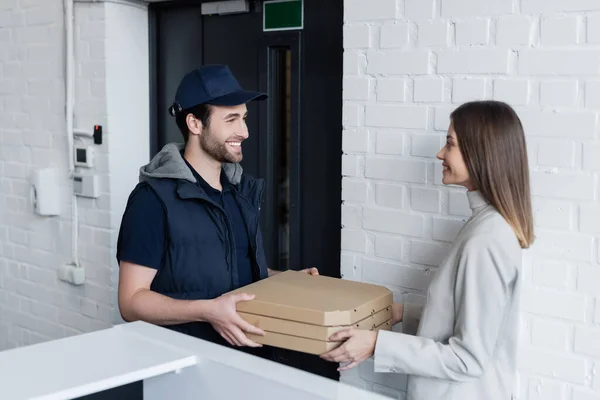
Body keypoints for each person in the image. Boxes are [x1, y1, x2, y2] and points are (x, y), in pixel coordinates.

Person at [321, 100, 534, 400]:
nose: (440, 154)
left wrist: (376, 344)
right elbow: (462, 316)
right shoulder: (484, 226)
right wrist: (400, 313)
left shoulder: (486, 239)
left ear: (481, 152)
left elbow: (467, 359)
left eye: (450, 144)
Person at [116, 64, 318, 358]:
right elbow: (131, 302)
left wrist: (285, 281)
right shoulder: (152, 200)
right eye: (231, 119)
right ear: (195, 124)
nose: (245, 132)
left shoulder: (239, 193)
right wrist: (208, 311)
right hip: (184, 365)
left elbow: (237, 273)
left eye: (244, 118)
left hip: (248, 358)